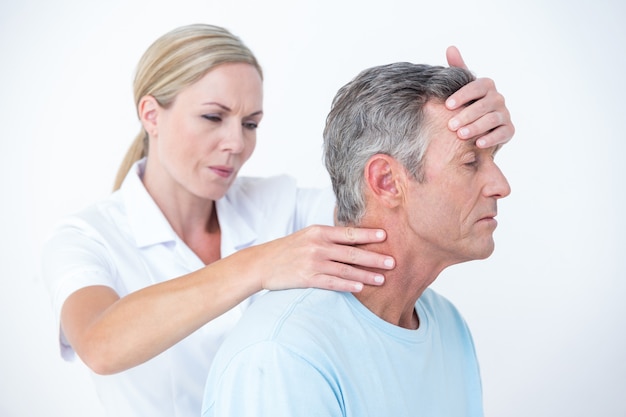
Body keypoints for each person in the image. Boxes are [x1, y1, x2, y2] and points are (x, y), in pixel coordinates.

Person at [40, 23, 514, 417]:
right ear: (151, 114)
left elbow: (388, 200)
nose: (235, 143)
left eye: (250, 124)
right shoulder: (87, 238)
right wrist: (259, 265)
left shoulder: (277, 202)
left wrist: (460, 133)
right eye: (212, 117)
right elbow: (100, 345)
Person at [201, 61, 511, 417]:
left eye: (493, 159)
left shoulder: (448, 326)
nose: (501, 186)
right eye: (471, 161)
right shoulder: (284, 353)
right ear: (386, 181)